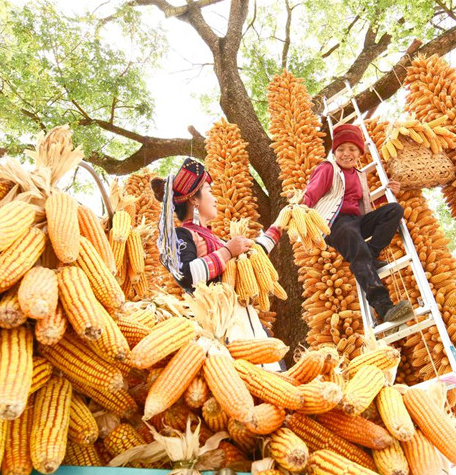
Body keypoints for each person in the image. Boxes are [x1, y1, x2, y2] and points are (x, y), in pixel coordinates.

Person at [151, 157, 283, 340]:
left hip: (246, 323)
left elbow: (254, 253)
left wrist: (280, 225)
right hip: (218, 329)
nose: (215, 198)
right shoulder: (181, 235)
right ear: (193, 200)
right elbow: (186, 275)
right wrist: (228, 251)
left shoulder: (217, 240)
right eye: (209, 191)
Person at [301, 124, 413, 324]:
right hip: (334, 222)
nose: (346, 154)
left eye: (352, 149)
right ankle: (384, 308)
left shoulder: (359, 174)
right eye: (341, 149)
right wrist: (300, 210)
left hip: (356, 221)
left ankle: (369, 256)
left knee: (394, 211)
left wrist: (388, 193)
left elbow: (361, 204)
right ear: (334, 152)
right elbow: (312, 191)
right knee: (355, 244)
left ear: (360, 152)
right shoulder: (327, 168)